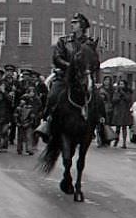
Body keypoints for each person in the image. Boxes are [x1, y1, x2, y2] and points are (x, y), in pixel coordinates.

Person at [35, 12, 99, 142]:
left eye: (75, 23)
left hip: (83, 76)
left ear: (82, 26)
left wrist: (89, 69)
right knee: (53, 95)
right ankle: (47, 122)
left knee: (97, 98)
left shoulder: (89, 43)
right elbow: (57, 57)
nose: (72, 25)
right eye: (72, 23)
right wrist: (70, 65)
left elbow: (95, 61)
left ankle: (100, 125)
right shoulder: (63, 41)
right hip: (65, 76)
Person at [111, 79, 133, 148]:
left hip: (125, 111)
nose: (121, 86)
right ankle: (116, 140)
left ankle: (124, 143)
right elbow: (114, 100)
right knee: (117, 128)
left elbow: (128, 99)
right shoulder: (116, 91)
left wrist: (123, 93)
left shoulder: (128, 92)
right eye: (120, 84)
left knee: (124, 128)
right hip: (118, 111)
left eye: (122, 84)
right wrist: (118, 96)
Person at [97, 75, 115, 147]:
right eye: (105, 80)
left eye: (108, 80)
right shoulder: (100, 89)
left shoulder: (112, 90)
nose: (107, 82)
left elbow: (113, 99)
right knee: (100, 125)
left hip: (109, 109)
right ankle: (101, 140)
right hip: (101, 108)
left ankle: (107, 140)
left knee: (107, 125)